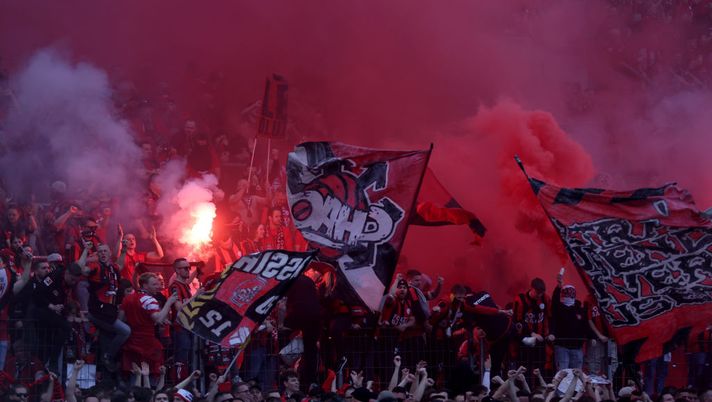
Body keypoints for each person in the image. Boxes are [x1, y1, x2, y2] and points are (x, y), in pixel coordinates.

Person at [79, 242, 130, 370]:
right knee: (125, 331)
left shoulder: (113, 268)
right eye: (100, 251)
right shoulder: (95, 267)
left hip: (110, 312)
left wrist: (123, 251)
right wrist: (86, 250)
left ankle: (106, 368)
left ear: (110, 253)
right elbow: (80, 268)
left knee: (106, 338)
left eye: (105, 251)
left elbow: (120, 264)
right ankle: (108, 356)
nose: (102, 253)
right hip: (98, 312)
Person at [29, 260, 83, 371]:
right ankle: (52, 362)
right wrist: (51, 306)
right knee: (65, 327)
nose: (73, 282)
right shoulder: (53, 277)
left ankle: (49, 368)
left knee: (49, 342)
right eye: (72, 279)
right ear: (67, 273)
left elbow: (63, 297)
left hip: (55, 314)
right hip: (41, 311)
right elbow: (37, 294)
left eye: (75, 281)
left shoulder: (69, 283)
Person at [120, 272, 177, 376]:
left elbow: (121, 319)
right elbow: (158, 319)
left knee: (134, 374)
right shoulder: (150, 300)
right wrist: (169, 302)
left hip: (131, 342)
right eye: (154, 284)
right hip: (147, 344)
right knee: (151, 374)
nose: (158, 287)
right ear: (145, 285)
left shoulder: (128, 298)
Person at [512, 277, 550, 381]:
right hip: (525, 340)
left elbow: (550, 316)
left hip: (540, 340)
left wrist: (549, 333)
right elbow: (518, 321)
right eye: (537, 293)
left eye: (541, 293)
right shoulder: (520, 300)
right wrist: (531, 333)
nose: (539, 295)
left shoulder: (546, 299)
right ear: (531, 288)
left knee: (540, 366)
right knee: (525, 367)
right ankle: (525, 391)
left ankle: (540, 391)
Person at [169, 258, 196, 379]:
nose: (188, 270)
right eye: (185, 268)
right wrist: (196, 297)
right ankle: (179, 387)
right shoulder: (175, 286)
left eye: (189, 267)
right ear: (177, 270)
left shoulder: (185, 286)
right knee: (181, 359)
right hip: (180, 328)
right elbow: (179, 307)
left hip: (188, 327)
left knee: (188, 359)